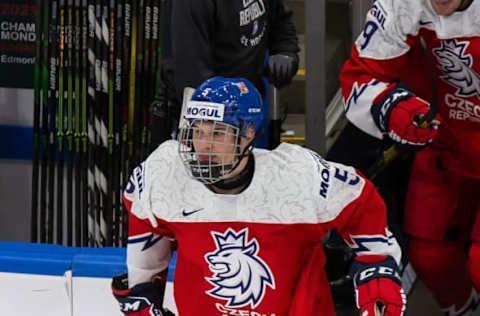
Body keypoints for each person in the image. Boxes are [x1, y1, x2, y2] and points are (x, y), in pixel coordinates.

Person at [111, 76, 406, 316]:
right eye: (197, 132)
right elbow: (145, 261)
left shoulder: (297, 177)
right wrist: (143, 295)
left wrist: (377, 265)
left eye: (217, 134)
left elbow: (360, 201)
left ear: (249, 132)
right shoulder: (164, 176)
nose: (203, 146)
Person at [340, 0, 480, 315]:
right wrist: (393, 109)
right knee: (431, 257)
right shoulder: (399, 4)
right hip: (445, 147)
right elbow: (361, 78)